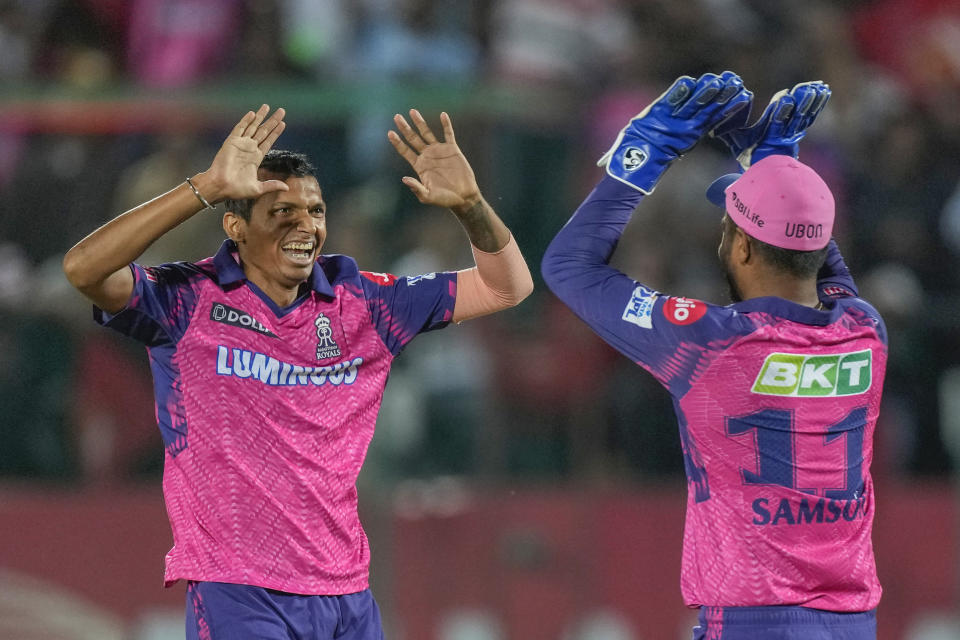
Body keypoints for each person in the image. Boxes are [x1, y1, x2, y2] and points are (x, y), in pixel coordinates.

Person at [62, 104, 533, 639]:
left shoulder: (365, 303)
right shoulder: (187, 299)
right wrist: (205, 186)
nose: (305, 225)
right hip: (238, 590)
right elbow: (84, 269)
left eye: (314, 210)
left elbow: (507, 286)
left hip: (346, 596)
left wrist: (471, 206)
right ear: (235, 225)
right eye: (281, 211)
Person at [542, 72, 886, 639]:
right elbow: (821, 258)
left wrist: (646, 150)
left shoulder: (711, 343)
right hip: (851, 623)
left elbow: (569, 267)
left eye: (726, 227)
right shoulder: (865, 332)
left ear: (743, 245)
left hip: (752, 621)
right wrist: (775, 164)